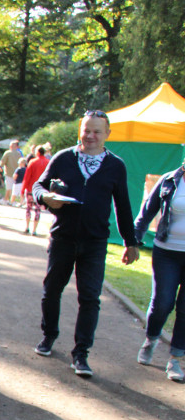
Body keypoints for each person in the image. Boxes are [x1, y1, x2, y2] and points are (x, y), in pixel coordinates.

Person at [33, 110, 140, 377]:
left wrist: (131, 241)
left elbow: (123, 206)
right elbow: (38, 186)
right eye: (86, 130)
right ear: (80, 130)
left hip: (94, 242)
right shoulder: (63, 158)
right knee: (51, 290)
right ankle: (49, 336)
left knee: (90, 298)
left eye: (96, 131)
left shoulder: (116, 165)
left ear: (107, 135)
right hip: (63, 238)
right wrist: (46, 197)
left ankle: (81, 353)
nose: (90, 136)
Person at [133, 161, 185, 382]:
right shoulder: (169, 180)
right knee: (163, 302)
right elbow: (146, 212)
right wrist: (134, 240)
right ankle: (151, 339)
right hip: (167, 252)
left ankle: (175, 358)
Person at [21, 146, 49, 236]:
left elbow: (27, 176)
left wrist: (23, 189)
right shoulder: (48, 163)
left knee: (28, 208)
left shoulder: (32, 162)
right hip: (41, 190)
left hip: (30, 189)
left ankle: (27, 227)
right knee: (37, 210)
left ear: (37, 152)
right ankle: (34, 230)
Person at [0, 140, 21, 204]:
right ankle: (12, 200)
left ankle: (5, 199)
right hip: (16, 173)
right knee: (13, 187)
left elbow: (2, 163)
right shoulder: (19, 154)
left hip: (8, 172)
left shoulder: (7, 153)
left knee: (8, 187)